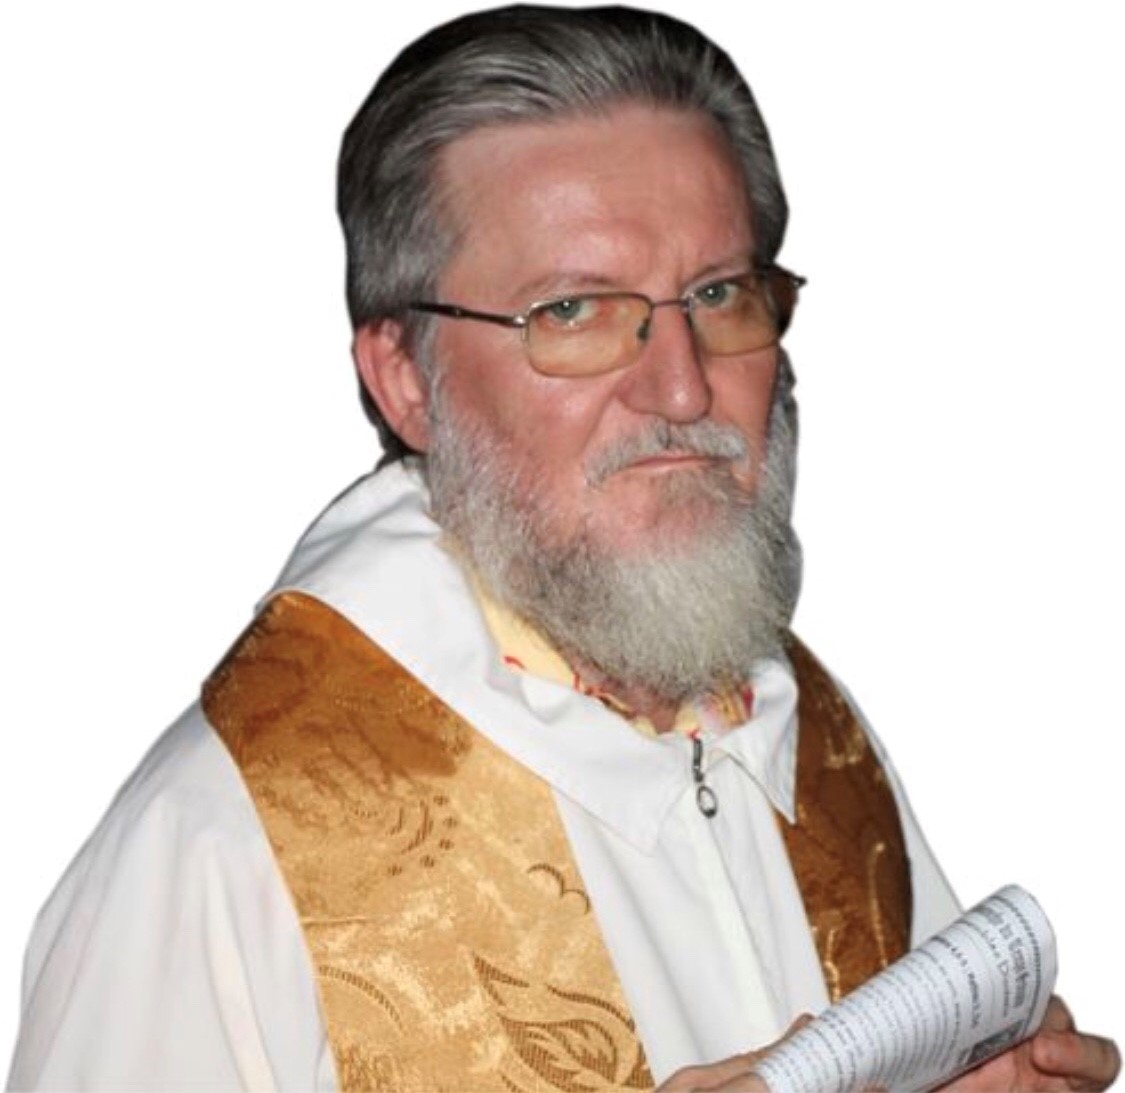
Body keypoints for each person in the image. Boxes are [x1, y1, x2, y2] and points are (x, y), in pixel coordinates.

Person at [5, 6, 1119, 1091]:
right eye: (575, 311)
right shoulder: (228, 838)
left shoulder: (805, 732)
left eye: (718, 294)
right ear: (403, 380)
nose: (682, 389)